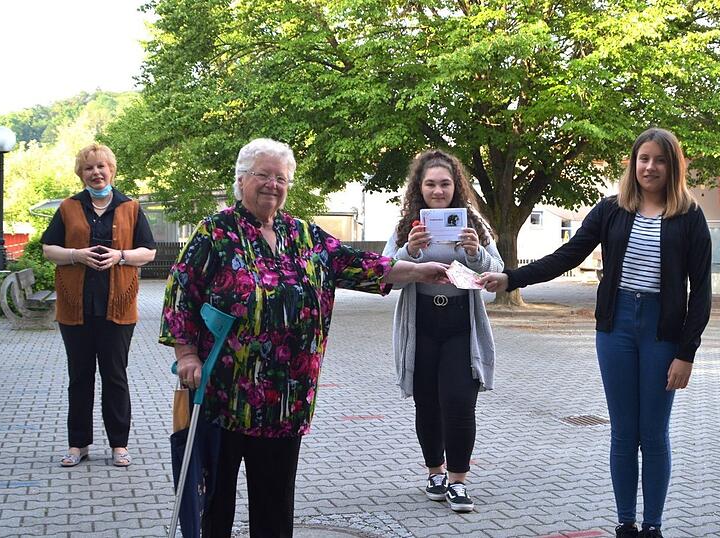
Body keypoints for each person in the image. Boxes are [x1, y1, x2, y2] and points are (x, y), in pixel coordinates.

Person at [159, 138, 449, 537]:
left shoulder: (304, 235)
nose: (272, 185)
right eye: (263, 175)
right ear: (242, 179)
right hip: (225, 395)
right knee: (215, 502)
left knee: (275, 506)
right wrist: (186, 353)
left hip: (286, 398)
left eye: (281, 178)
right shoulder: (215, 233)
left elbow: (364, 265)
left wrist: (419, 271)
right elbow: (180, 294)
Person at [479, 128, 711, 538]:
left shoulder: (689, 216)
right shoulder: (612, 210)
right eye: (643, 158)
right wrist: (511, 278)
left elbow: (701, 292)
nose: (650, 167)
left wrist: (686, 353)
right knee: (624, 431)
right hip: (616, 328)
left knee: (653, 432)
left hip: (662, 333)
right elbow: (566, 255)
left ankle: (652, 526)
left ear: (672, 166)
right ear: (633, 163)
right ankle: (625, 523)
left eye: (659, 160)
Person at [383, 149, 503, 513]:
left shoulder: (473, 223)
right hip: (421, 323)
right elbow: (386, 274)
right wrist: (409, 250)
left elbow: (494, 272)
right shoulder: (408, 226)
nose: (438, 191)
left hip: (459, 325)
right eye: (431, 184)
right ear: (420, 186)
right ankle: (434, 474)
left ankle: (458, 481)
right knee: (428, 403)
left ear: (456, 186)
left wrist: (476, 251)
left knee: (459, 403)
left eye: (445, 184)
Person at [41, 143, 157, 468]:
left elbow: (148, 252)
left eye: (101, 166)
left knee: (115, 376)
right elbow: (49, 249)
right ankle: (78, 444)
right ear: (81, 173)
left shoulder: (131, 208)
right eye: (89, 168)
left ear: (112, 170)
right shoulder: (67, 208)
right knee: (79, 377)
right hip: (75, 308)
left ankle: (119, 445)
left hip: (117, 308)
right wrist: (76, 255)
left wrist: (120, 256)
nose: (96, 172)